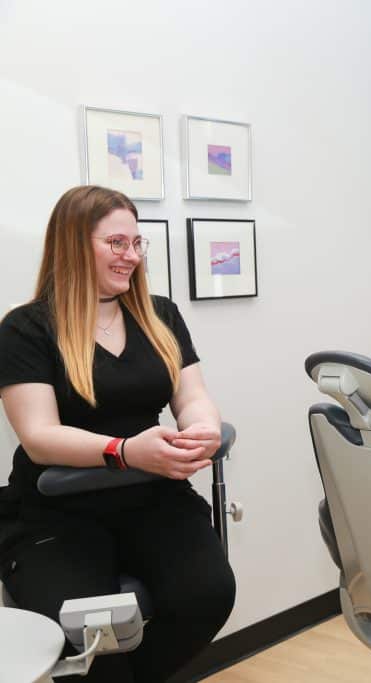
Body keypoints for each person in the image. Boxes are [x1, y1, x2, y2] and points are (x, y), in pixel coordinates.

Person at [0, 186, 236, 682]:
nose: (131, 256)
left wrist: (203, 430)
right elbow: (39, 435)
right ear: (72, 244)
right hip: (57, 513)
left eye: (136, 243)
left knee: (209, 595)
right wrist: (125, 452)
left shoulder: (160, 315)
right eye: (117, 243)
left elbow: (191, 396)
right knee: (86, 635)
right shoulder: (26, 329)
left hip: (152, 498)